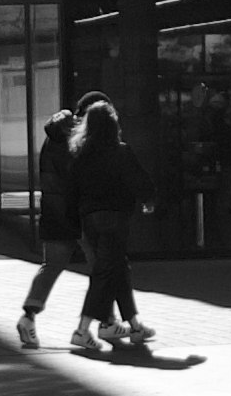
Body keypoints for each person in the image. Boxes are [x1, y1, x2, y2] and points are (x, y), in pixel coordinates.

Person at [63, 99, 156, 352]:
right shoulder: (120, 151)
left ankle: (135, 325)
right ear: (113, 125)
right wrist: (148, 199)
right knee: (106, 273)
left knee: (116, 268)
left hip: (90, 220)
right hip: (115, 218)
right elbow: (138, 180)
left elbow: (71, 190)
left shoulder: (80, 155)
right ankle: (82, 330)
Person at [16, 100, 87, 349]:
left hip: (52, 211)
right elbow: (78, 178)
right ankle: (100, 323)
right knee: (103, 268)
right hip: (77, 212)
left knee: (51, 266)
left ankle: (29, 316)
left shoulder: (51, 138)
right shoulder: (74, 142)